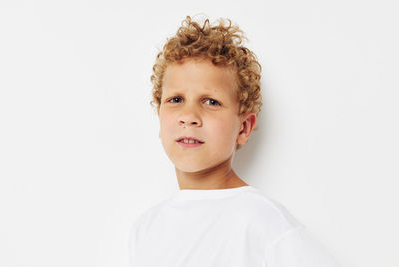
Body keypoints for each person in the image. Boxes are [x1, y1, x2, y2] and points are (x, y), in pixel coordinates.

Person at [128, 15, 340, 267]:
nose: (189, 116)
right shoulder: (146, 227)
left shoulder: (262, 222)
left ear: (243, 128)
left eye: (211, 102)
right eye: (175, 100)